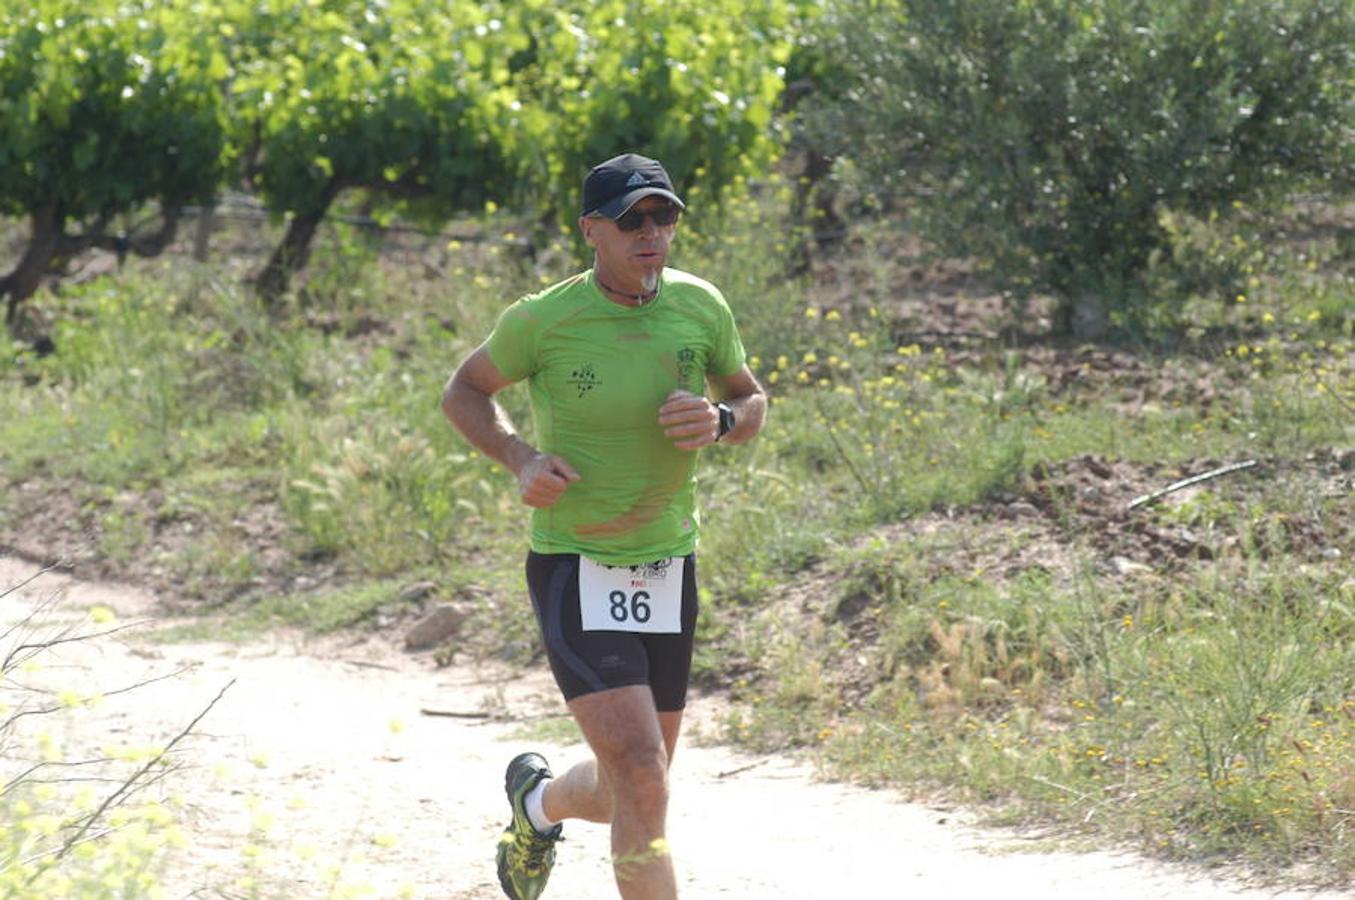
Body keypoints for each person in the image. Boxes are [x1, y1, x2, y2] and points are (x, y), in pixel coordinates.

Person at [442, 152, 766, 900]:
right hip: (575, 563)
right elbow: (463, 389)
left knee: (638, 785)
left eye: (664, 216)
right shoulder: (542, 318)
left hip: (666, 564)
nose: (651, 233)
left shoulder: (699, 306)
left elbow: (751, 399)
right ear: (593, 230)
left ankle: (537, 803)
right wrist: (519, 457)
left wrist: (721, 421)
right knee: (643, 777)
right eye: (631, 220)